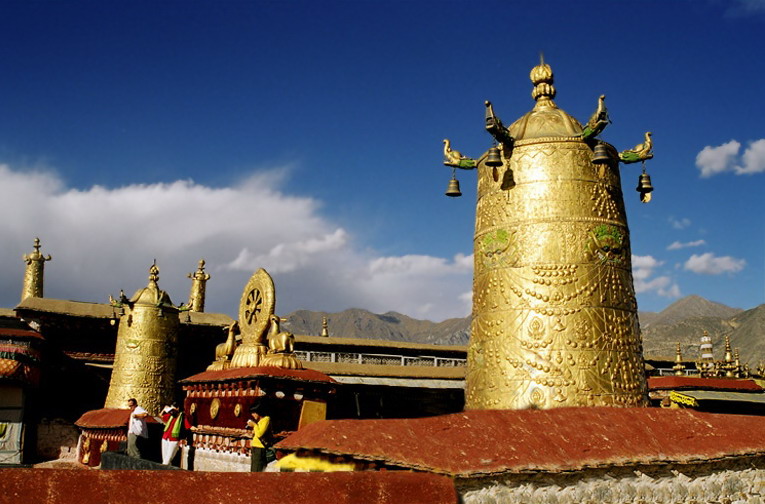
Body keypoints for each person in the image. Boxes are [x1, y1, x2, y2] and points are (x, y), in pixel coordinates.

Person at [246, 403, 272, 472]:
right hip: (255, 448)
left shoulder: (266, 420)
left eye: (254, 413)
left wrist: (254, 425)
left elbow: (260, 434)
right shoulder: (259, 421)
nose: (253, 415)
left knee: (256, 470)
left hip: (260, 448)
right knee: (254, 469)